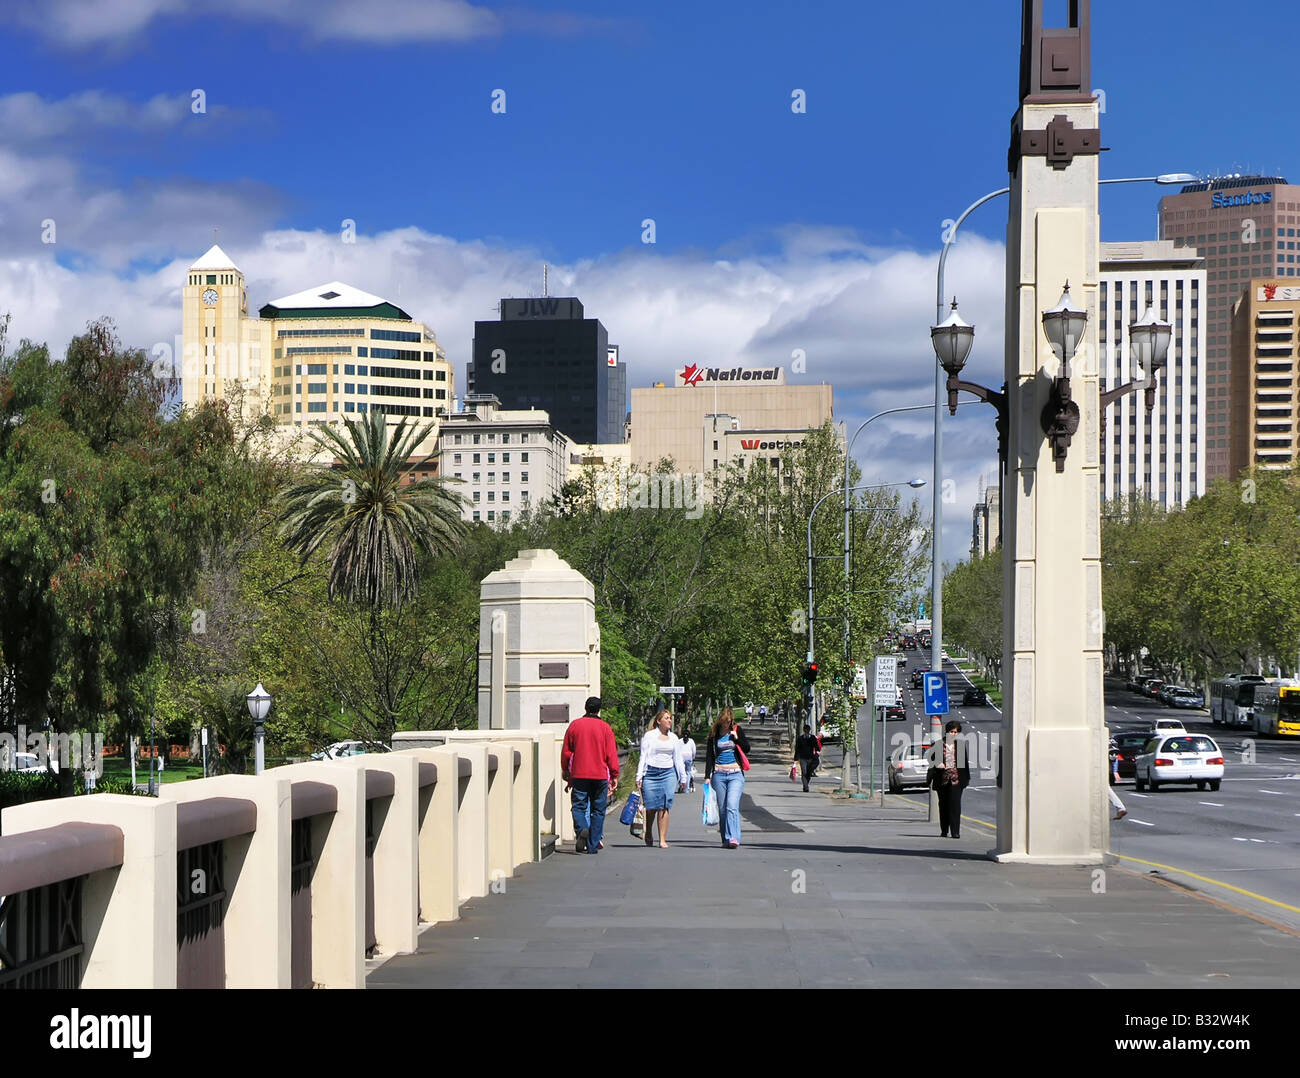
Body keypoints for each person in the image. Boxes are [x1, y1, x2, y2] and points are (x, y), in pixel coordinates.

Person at [561, 696, 620, 854]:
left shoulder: (575, 726)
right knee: (598, 810)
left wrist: (566, 770)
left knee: (579, 806)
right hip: (599, 774)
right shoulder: (605, 728)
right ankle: (593, 845)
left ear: (586, 707)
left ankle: (581, 829)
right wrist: (614, 774)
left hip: (580, 773)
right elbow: (611, 754)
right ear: (599, 709)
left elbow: (567, 752)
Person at [637, 710, 686, 848]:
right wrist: (639, 775)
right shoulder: (649, 736)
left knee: (665, 805)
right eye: (666, 718)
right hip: (651, 773)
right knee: (651, 806)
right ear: (659, 721)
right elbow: (643, 756)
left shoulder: (674, 738)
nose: (669, 720)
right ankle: (648, 833)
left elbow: (678, 759)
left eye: (670, 718)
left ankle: (662, 839)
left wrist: (683, 777)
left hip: (668, 773)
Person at [704, 708, 750, 849]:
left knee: (731, 806)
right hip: (719, 774)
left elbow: (747, 748)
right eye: (724, 722)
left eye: (729, 722)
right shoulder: (714, 735)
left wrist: (737, 739)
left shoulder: (737, 730)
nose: (726, 725)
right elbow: (709, 757)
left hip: (735, 773)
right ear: (720, 721)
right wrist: (707, 776)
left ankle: (733, 838)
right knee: (723, 809)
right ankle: (725, 838)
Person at [931, 719, 971, 838]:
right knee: (943, 805)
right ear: (947, 732)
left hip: (956, 780)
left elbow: (964, 764)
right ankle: (944, 830)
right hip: (942, 779)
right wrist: (938, 764)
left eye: (955, 732)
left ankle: (955, 831)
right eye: (951, 731)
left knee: (955, 806)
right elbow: (931, 760)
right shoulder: (938, 744)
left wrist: (967, 778)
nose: (953, 734)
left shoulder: (960, 745)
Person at [793, 723, 819, 792]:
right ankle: (806, 786)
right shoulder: (800, 738)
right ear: (804, 730)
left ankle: (806, 784)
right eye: (805, 730)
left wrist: (817, 751)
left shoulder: (813, 738)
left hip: (810, 758)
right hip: (802, 758)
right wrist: (795, 759)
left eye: (808, 730)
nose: (807, 731)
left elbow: (816, 746)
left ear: (809, 730)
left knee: (808, 773)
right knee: (804, 772)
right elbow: (797, 749)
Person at [1108, 739, 1128, 820]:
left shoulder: (1106, 740)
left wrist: (1115, 771)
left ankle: (1121, 808)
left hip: (1104, 766)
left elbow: (1113, 754)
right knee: (1105, 788)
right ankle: (1120, 808)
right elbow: (1114, 755)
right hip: (1108, 766)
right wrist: (1115, 770)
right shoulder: (1112, 741)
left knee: (1104, 788)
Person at [679, 727, 698, 792]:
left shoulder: (679, 741)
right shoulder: (691, 741)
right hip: (688, 757)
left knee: (681, 772)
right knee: (688, 772)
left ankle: (681, 785)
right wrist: (693, 757)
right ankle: (687, 788)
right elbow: (694, 750)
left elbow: (677, 750)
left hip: (681, 757)